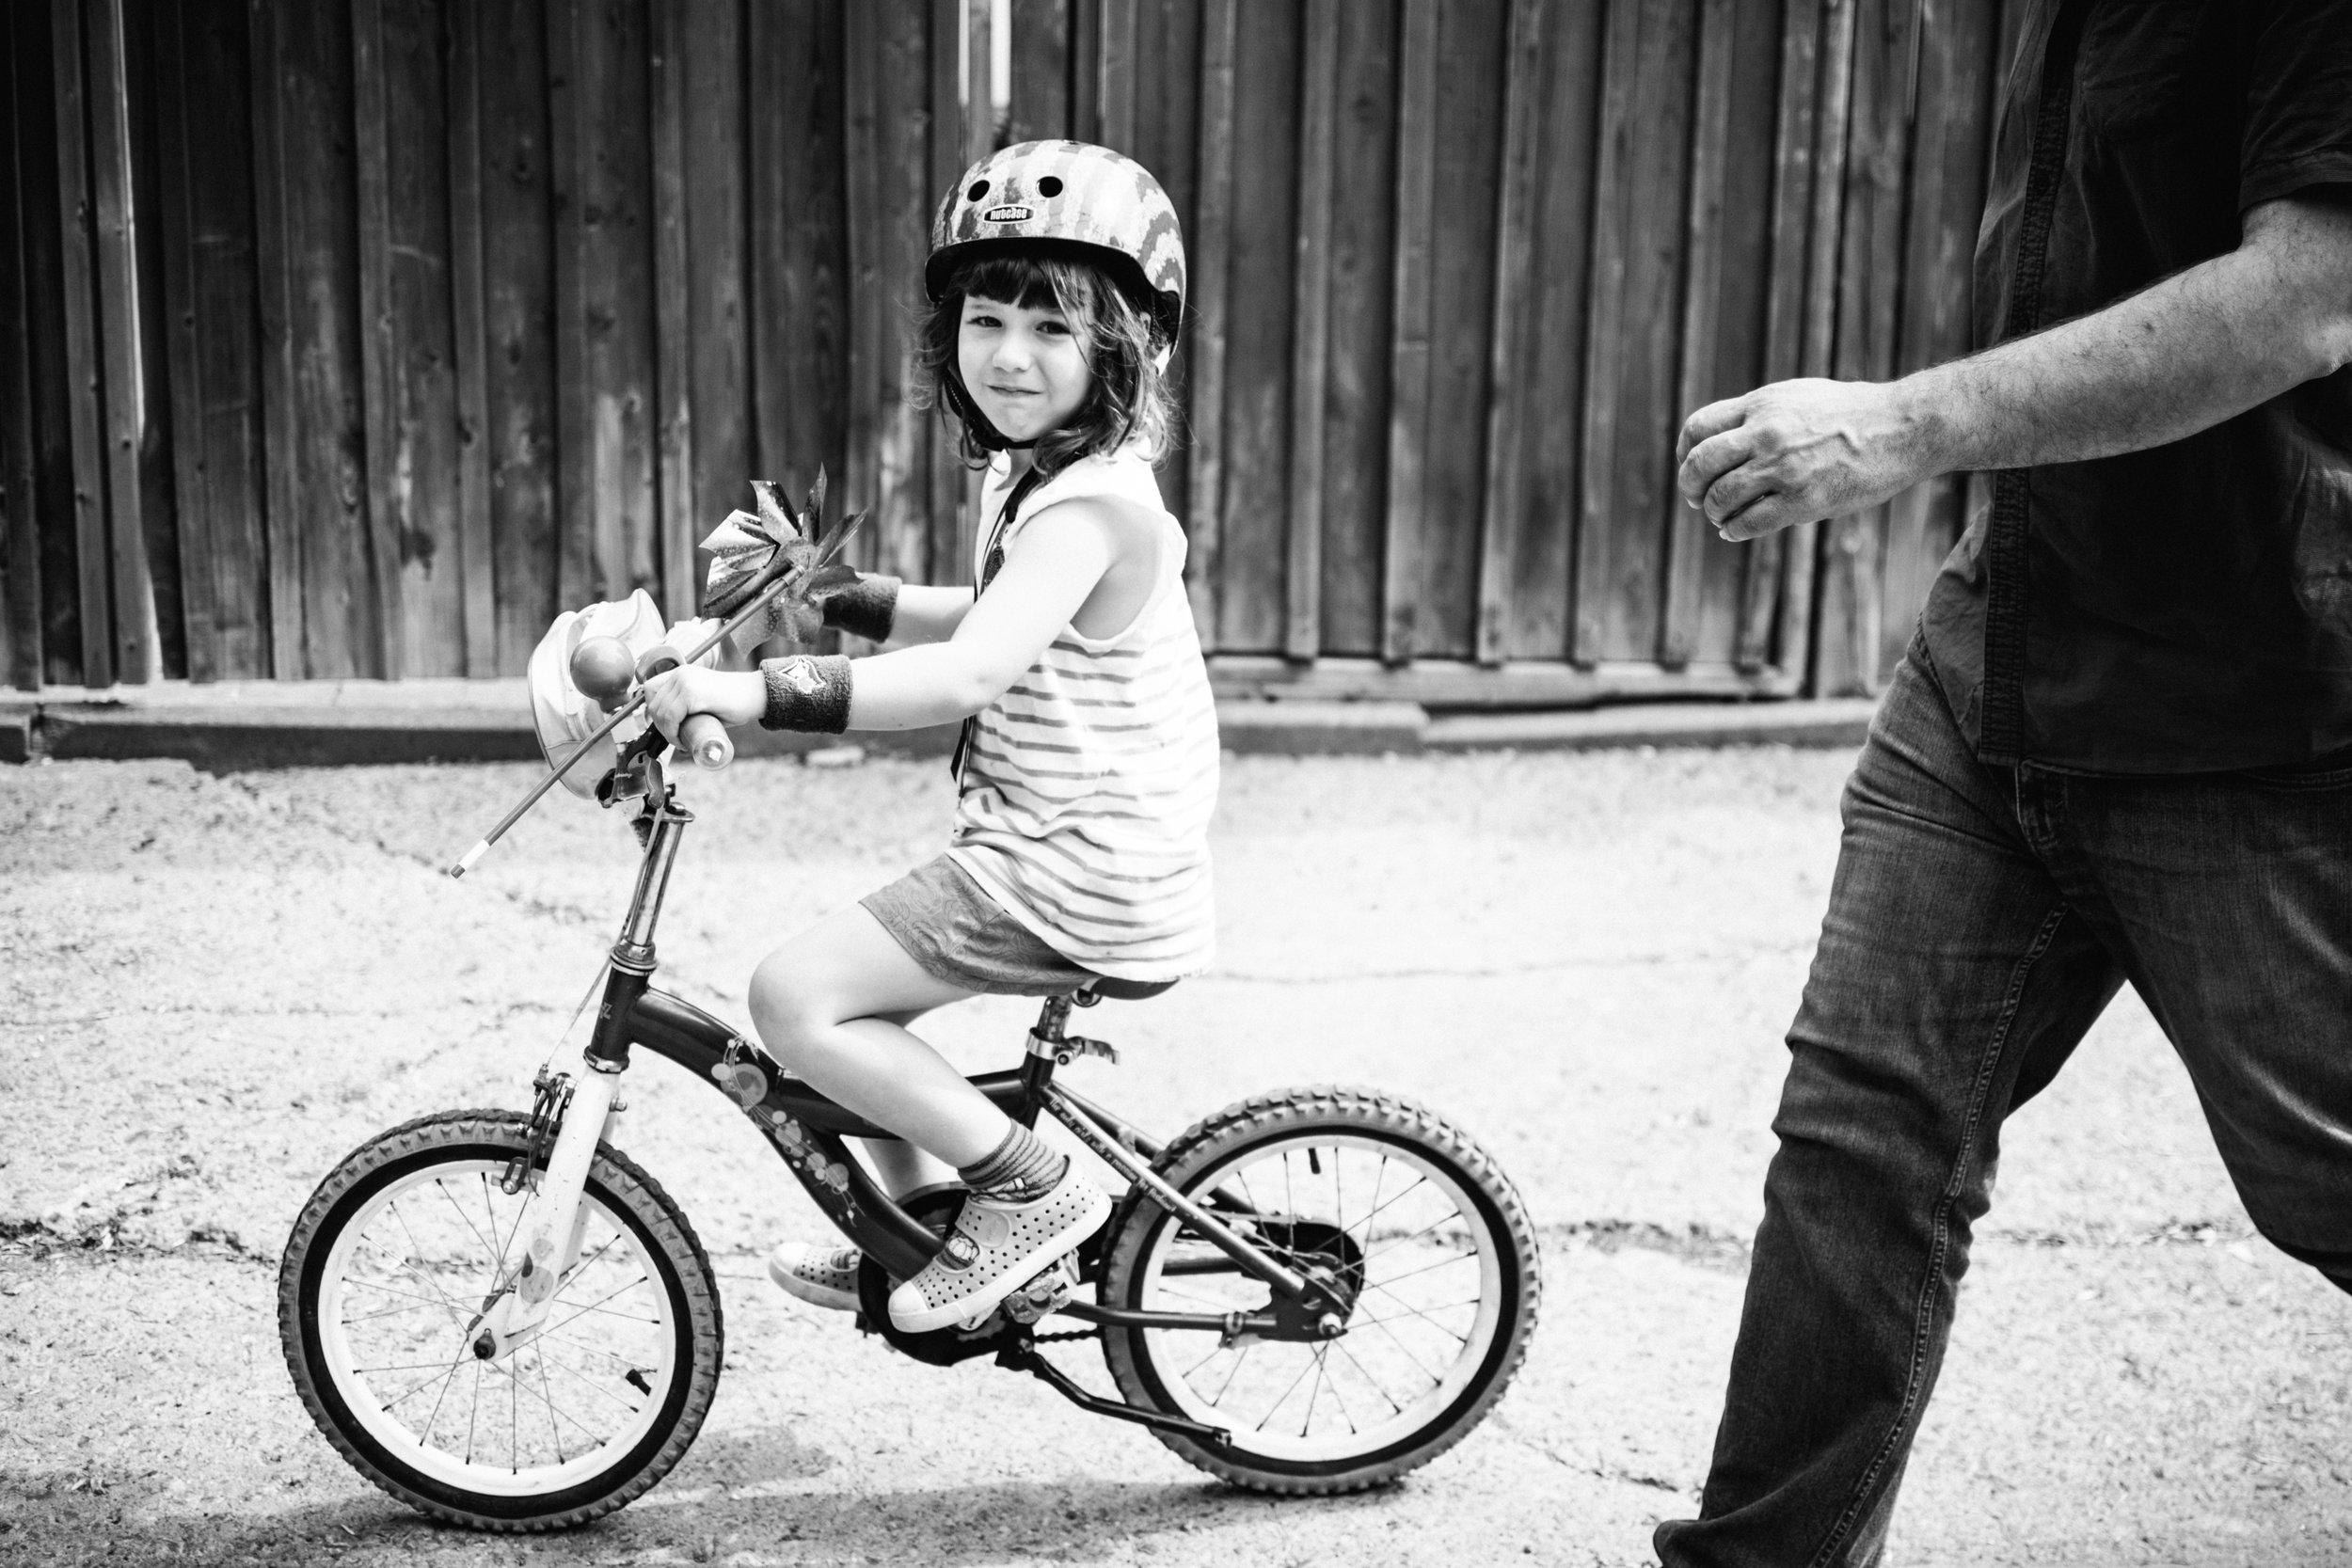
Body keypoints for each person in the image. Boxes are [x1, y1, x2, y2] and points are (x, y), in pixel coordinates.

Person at [1658, 6, 2352, 1564]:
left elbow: (2313, 297)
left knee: (2330, 1180)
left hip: (2248, 699)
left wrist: (1901, 424)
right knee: (1859, 1142)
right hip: (2000, 658)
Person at [641, 141, 1216, 1337]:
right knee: (862, 1013)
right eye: (988, 317)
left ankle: (1030, 1191)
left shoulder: (1093, 506)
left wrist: (754, 693)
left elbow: (971, 669)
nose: (1011, 354)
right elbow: (991, 612)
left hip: (1075, 871)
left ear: (1125, 344)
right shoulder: (1051, 478)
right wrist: (848, 596)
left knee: (796, 995)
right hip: (1067, 852)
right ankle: (935, 1236)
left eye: (1053, 330)